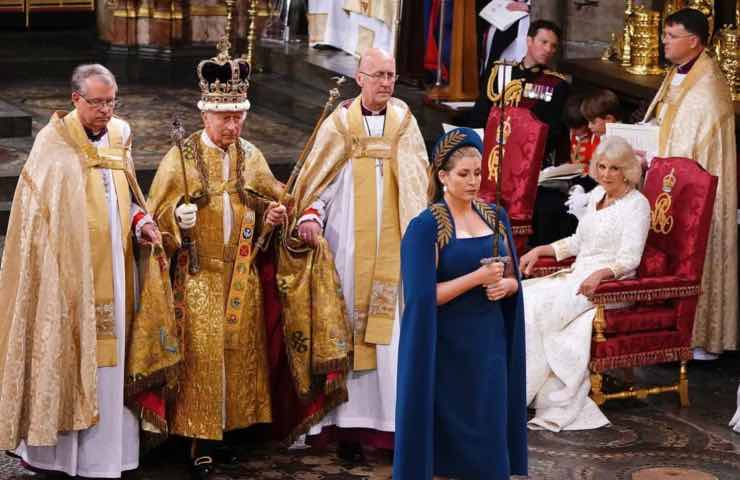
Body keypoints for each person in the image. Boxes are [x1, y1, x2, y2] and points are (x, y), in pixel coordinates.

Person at [0, 63, 168, 478]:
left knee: (113, 364)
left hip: (115, 269)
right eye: (97, 102)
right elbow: (37, 222)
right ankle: (59, 459)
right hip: (68, 281)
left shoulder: (121, 134)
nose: (106, 110)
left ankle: (110, 457)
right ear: (75, 99)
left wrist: (140, 222)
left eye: (111, 101)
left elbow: (125, 195)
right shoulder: (53, 143)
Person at [147, 41, 287, 479]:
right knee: (202, 356)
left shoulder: (250, 154)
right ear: (205, 114)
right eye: (227, 117)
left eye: (240, 115)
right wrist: (176, 218)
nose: (234, 124)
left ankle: (229, 429)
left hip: (240, 271)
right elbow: (155, 216)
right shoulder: (182, 157)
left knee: (239, 354)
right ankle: (197, 437)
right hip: (199, 273)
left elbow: (272, 193)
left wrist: (275, 213)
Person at [289, 47, 428, 460]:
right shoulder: (339, 124)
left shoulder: (404, 122)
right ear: (359, 77)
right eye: (379, 74)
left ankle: (388, 427)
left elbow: (418, 181)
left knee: (390, 339)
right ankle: (345, 430)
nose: (386, 82)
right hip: (346, 249)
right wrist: (310, 215)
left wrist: (418, 239)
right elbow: (319, 181)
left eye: (391, 74)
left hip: (392, 253)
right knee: (346, 332)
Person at [394, 127, 527, 480]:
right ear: (442, 176)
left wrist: (508, 286)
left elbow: (513, 277)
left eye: (478, 173)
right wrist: (476, 279)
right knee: (449, 443)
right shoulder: (426, 227)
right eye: (463, 174)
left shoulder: (495, 216)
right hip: (448, 349)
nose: (472, 181)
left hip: (490, 343)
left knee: (490, 429)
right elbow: (423, 297)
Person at [519, 136, 650, 431]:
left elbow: (631, 258)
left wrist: (601, 274)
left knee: (543, 306)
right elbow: (578, 242)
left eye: (614, 168)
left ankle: (537, 391)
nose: (605, 174)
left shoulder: (637, 205)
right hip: (577, 276)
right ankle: (520, 386)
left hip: (611, 287)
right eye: (601, 166)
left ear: (627, 171)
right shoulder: (595, 197)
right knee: (525, 298)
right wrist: (542, 249)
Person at [642, 8, 737, 358]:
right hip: (663, 173)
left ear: (693, 41)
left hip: (689, 186)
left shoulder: (707, 89)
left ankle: (698, 336)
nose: (663, 42)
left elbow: (688, 146)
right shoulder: (680, 72)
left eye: (671, 37)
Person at [463, 19, 570, 166]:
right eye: (543, 42)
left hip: (528, 160)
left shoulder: (556, 84)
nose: (548, 49)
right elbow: (480, 114)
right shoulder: (500, 72)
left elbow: (553, 131)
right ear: (529, 41)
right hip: (490, 154)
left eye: (553, 46)